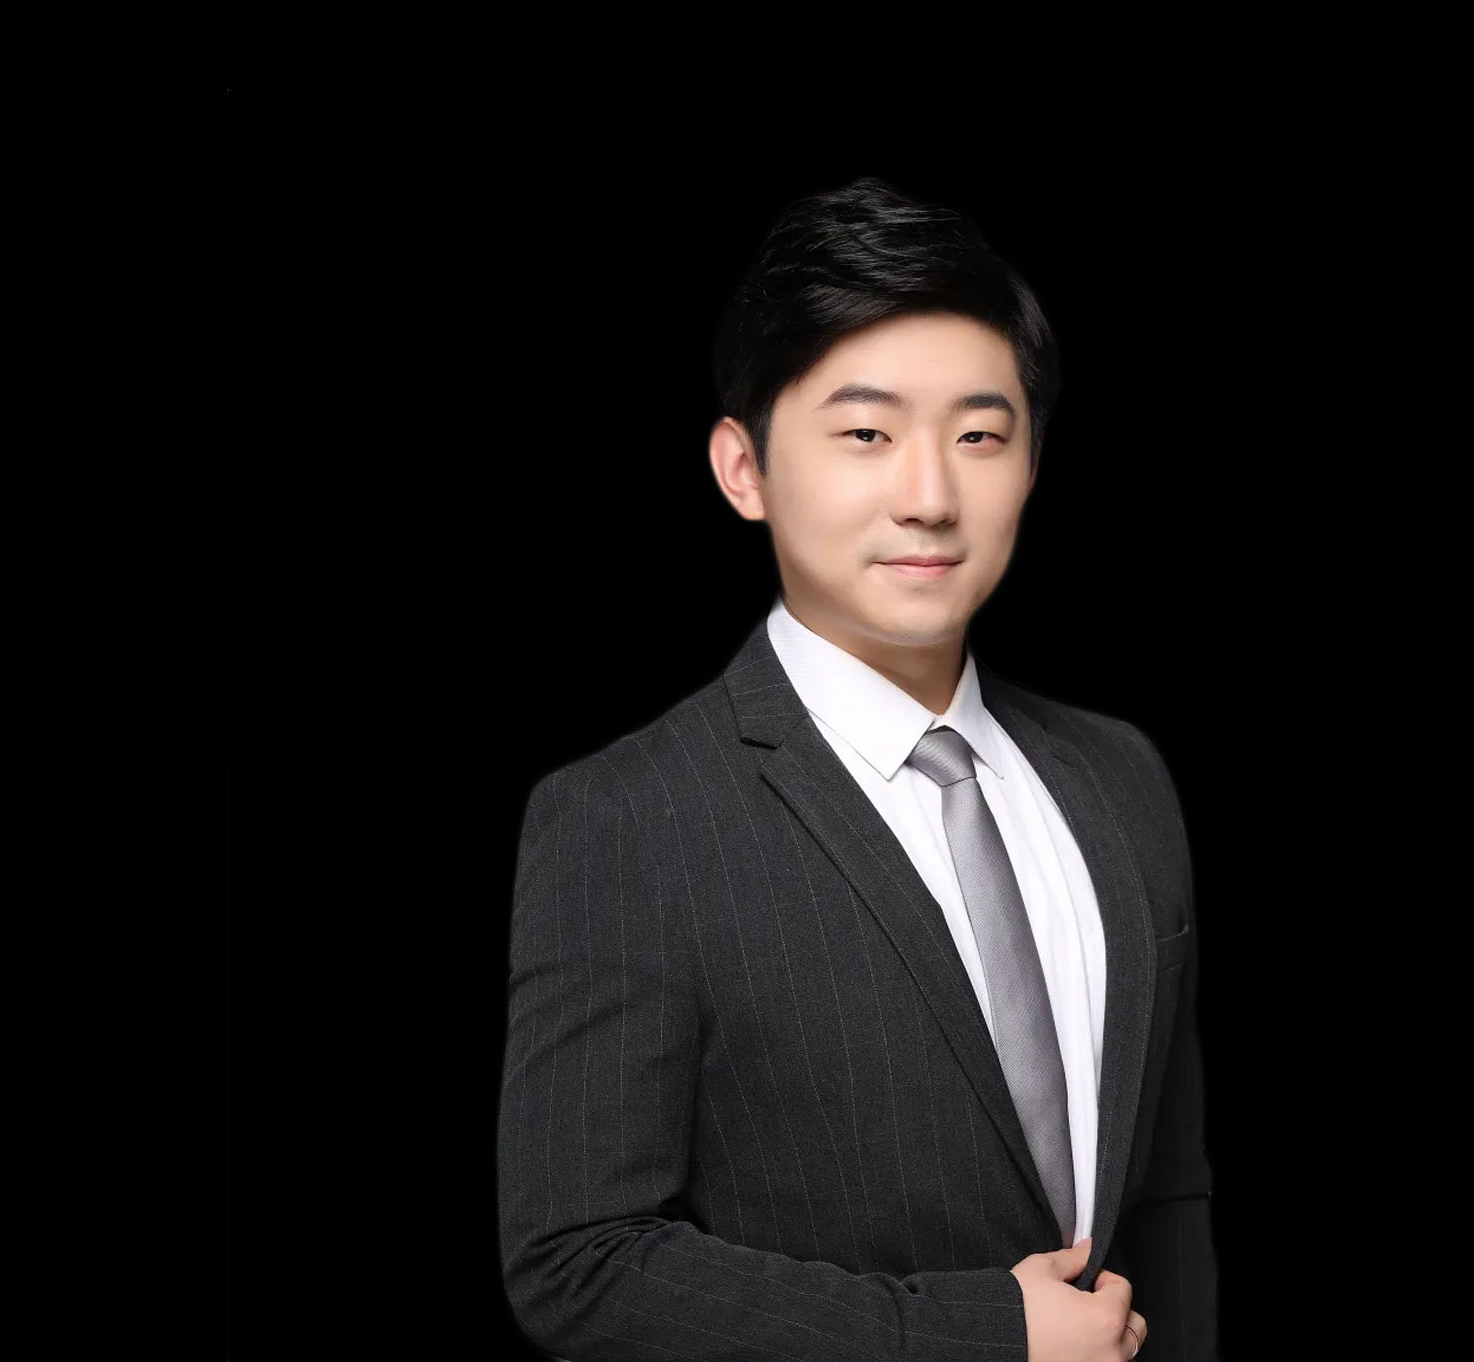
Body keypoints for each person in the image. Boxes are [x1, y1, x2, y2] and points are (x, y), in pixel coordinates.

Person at [496, 175, 1218, 1362]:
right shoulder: (628, 818)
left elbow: (1169, 1197)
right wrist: (980, 1333)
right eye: (866, 434)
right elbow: (578, 1263)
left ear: (1031, 462)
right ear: (743, 468)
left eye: (978, 436)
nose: (929, 497)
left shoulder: (1118, 774)